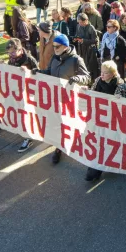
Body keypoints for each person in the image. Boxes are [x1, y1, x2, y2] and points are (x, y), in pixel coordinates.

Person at [34, 34, 90, 163]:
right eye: (53, 46)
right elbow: (49, 72)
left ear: (65, 46)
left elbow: (87, 77)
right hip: (56, 98)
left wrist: (77, 79)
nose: (54, 49)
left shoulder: (76, 60)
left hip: (71, 99)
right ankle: (59, 148)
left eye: (57, 47)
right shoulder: (54, 58)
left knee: (71, 123)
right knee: (58, 124)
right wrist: (38, 72)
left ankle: (78, 142)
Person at [84, 60, 126, 181]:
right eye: (101, 72)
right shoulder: (98, 81)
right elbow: (92, 93)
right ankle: (94, 169)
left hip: (113, 121)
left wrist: (120, 101)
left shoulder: (121, 85)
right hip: (99, 119)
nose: (102, 75)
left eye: (105, 73)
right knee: (99, 143)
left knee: (108, 144)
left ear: (112, 74)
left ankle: (97, 170)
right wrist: (86, 90)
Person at [5, 38, 39, 153]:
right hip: (17, 92)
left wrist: (28, 72)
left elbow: (39, 74)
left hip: (29, 93)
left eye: (13, 52)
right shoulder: (12, 59)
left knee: (27, 114)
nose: (11, 55)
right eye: (9, 53)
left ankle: (29, 137)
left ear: (20, 49)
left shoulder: (29, 59)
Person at [74, 13, 99, 82]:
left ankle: (94, 81)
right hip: (81, 50)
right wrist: (75, 39)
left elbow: (95, 41)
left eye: (81, 22)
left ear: (86, 20)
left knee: (91, 67)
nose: (80, 24)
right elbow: (77, 34)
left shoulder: (91, 28)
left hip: (90, 51)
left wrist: (84, 40)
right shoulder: (78, 26)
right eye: (79, 22)